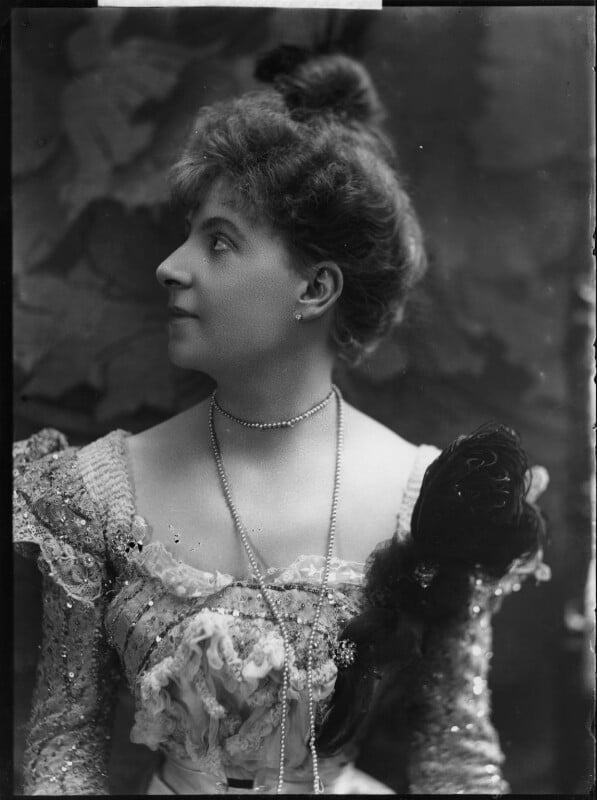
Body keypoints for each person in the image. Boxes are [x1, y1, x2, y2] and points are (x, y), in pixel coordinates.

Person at [13, 46, 549, 795]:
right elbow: (65, 742)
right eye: (188, 233)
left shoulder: (421, 499)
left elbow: (456, 760)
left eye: (219, 241)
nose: (171, 266)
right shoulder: (97, 492)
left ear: (315, 288)